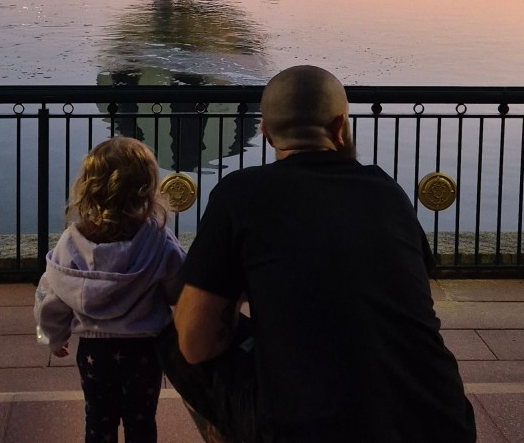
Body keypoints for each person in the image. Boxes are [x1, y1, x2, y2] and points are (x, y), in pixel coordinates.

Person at [166, 65, 476, 442]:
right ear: (340, 126)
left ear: (265, 132)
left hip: (309, 429)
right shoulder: (387, 192)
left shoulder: (240, 194)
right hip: (442, 423)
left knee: (173, 333)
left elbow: (196, 344)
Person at [36, 136, 186, 443]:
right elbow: (178, 288)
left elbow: (52, 299)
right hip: (145, 350)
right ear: (146, 187)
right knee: (142, 421)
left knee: (98, 420)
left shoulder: (72, 242)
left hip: (95, 352)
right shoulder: (158, 239)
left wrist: (52, 337)